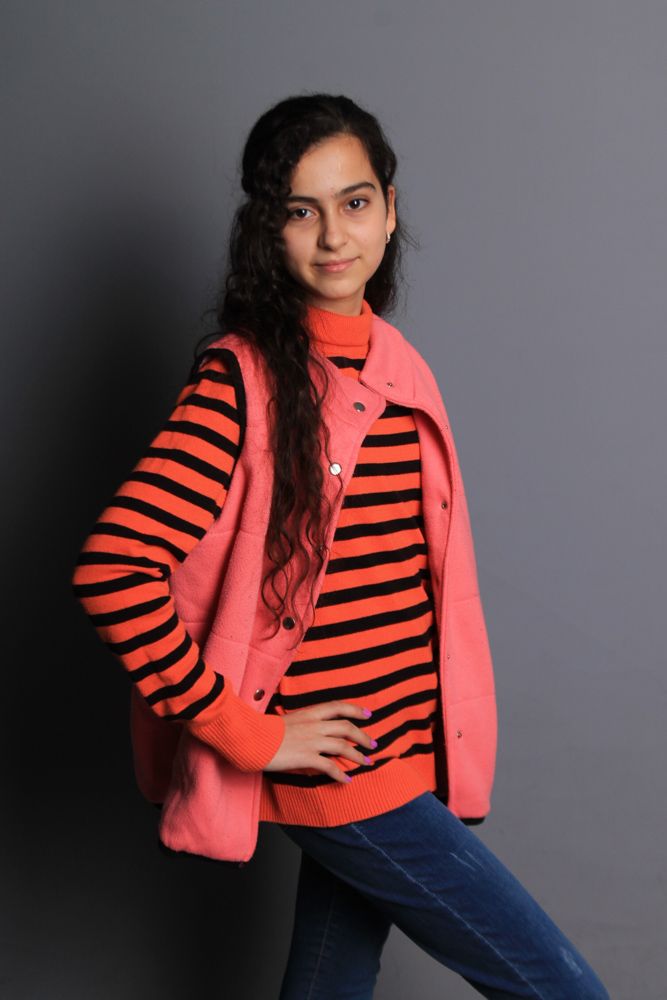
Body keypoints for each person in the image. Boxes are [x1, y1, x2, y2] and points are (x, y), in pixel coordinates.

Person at [74, 94, 609, 1000]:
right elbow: (113, 570)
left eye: (354, 203)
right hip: (346, 773)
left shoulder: (398, 367)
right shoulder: (239, 384)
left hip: (405, 749)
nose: (332, 236)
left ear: (389, 210)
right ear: (267, 228)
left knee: (330, 986)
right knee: (560, 988)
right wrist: (249, 733)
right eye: (300, 210)